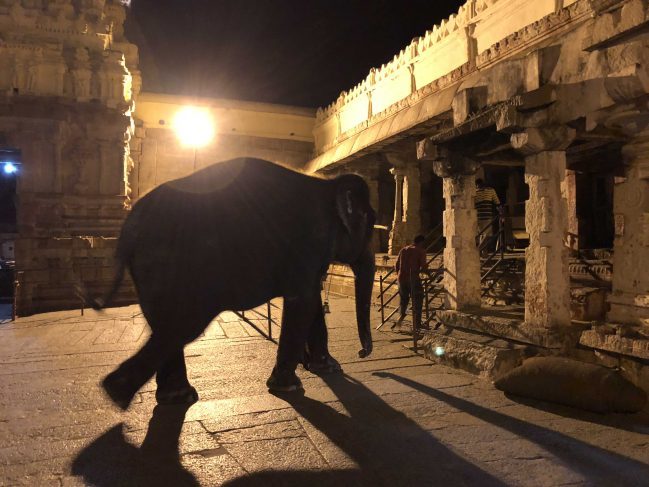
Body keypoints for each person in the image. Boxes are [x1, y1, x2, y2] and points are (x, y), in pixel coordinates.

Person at [393, 235, 427, 331]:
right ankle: (417, 324)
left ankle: (401, 316)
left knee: (403, 301)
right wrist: (429, 274)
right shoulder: (420, 251)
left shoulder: (404, 250)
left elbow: (396, 265)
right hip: (413, 278)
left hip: (401, 278)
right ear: (421, 242)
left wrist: (400, 274)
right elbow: (424, 266)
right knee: (418, 300)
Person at [475, 178, 501, 251]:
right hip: (487, 215)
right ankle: (478, 250)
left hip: (478, 216)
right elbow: (497, 203)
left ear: (476, 185)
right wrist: (501, 213)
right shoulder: (491, 190)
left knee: (482, 235)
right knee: (487, 235)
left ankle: (484, 253)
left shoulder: (474, 192)